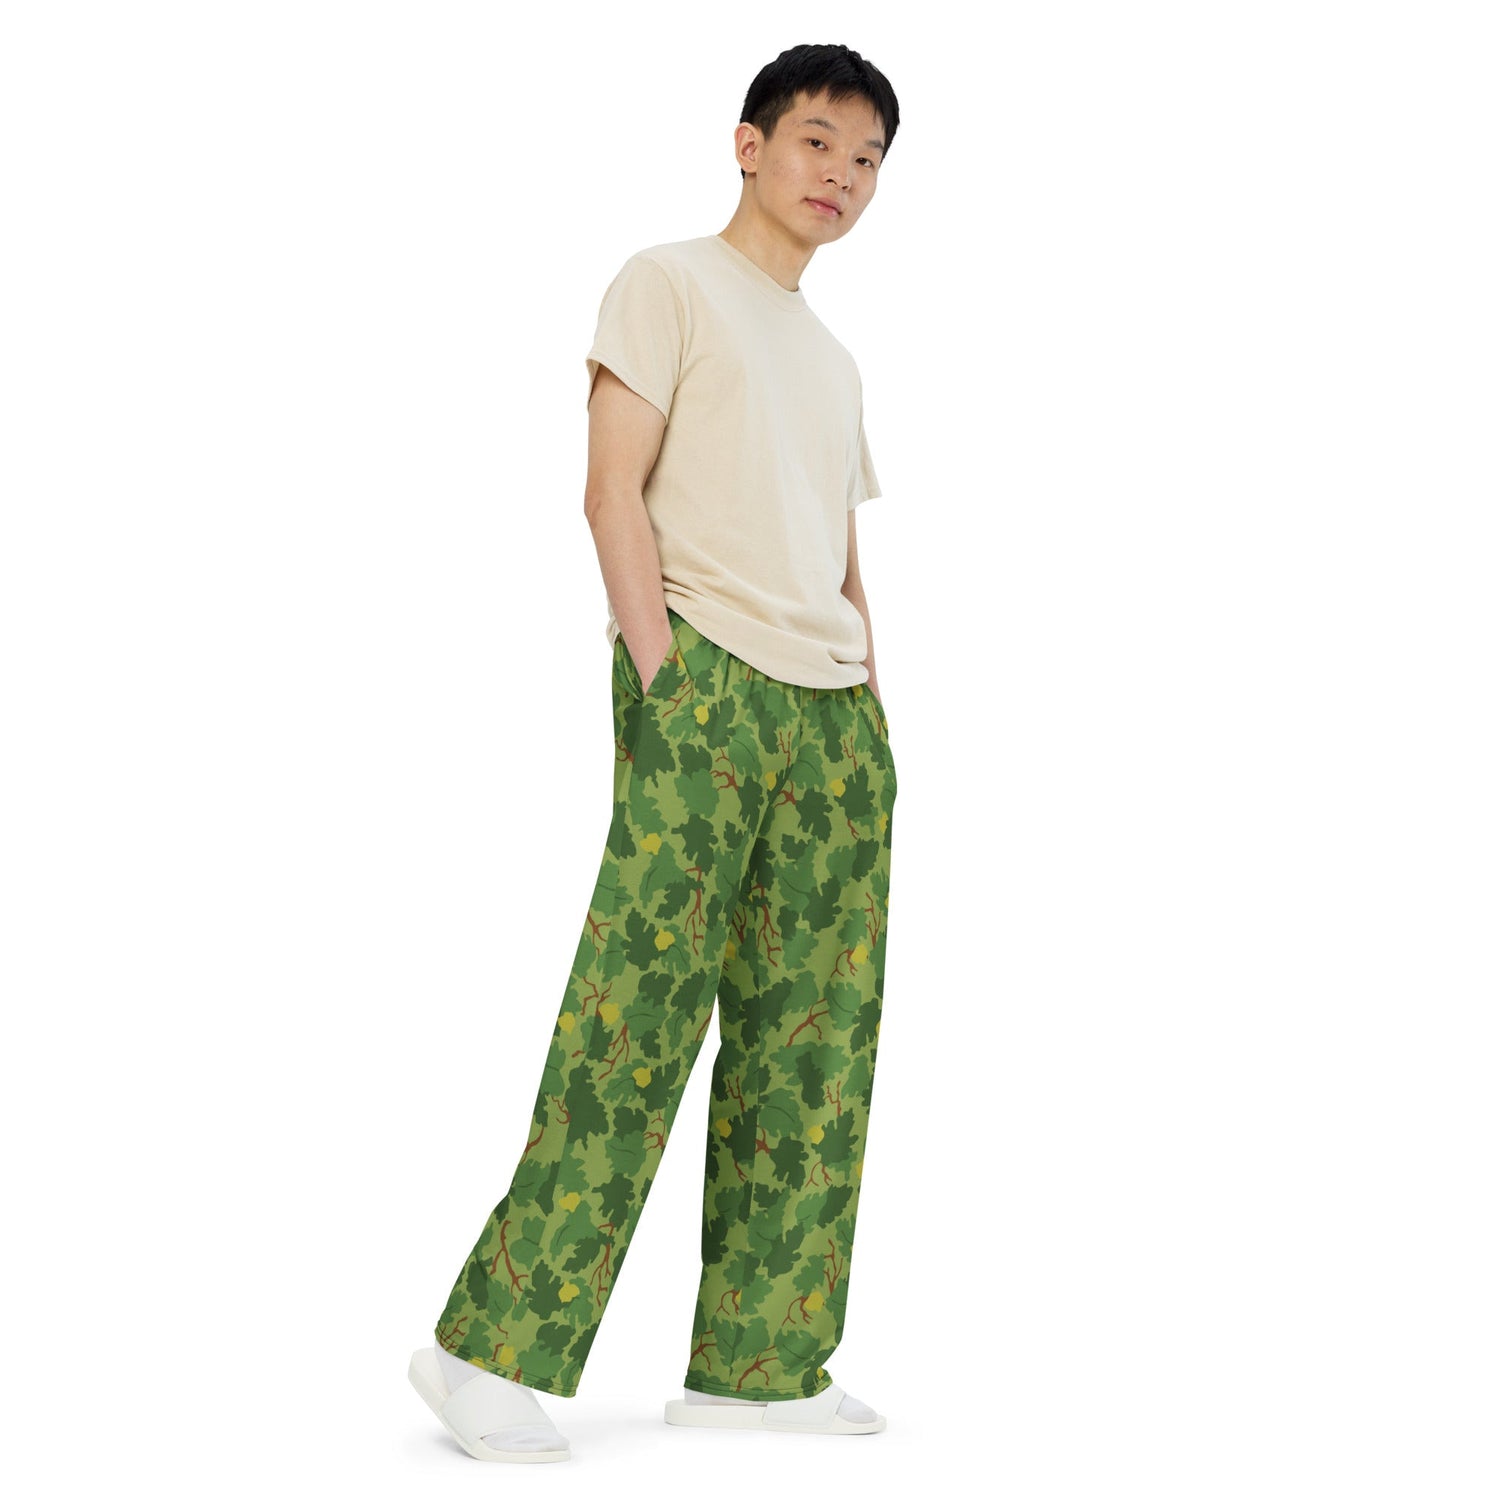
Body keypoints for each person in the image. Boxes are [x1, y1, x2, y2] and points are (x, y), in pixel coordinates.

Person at [408, 42, 901, 1463]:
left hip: (832, 718)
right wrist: (662, 676)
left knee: (817, 1045)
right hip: (707, 683)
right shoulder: (668, 282)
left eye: (868, 160)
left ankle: (763, 1358)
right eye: (818, 141)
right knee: (633, 1017)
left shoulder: (835, 360)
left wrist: (875, 715)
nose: (841, 176)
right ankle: (484, 1350)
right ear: (751, 144)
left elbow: (838, 551)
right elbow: (608, 490)